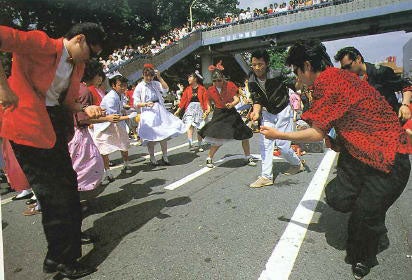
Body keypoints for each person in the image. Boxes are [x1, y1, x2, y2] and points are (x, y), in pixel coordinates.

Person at [260, 40, 411, 280]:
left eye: (296, 71)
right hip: (357, 152)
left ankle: (364, 257)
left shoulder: (331, 81)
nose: (297, 76)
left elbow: (316, 133)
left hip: (389, 157)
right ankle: (370, 217)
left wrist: (279, 134)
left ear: (307, 66)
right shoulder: (331, 79)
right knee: (338, 197)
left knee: (365, 214)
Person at [0, 23, 106, 278]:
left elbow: (66, 102)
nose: (91, 60)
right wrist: (3, 87)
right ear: (79, 39)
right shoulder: (40, 43)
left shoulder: (77, 65)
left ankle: (66, 244)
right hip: (27, 126)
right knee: (55, 196)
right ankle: (62, 260)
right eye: (91, 53)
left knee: (69, 188)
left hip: (52, 128)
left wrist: (84, 109)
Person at [248, 50, 304, 188]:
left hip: (283, 110)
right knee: (265, 144)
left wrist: (299, 80)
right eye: (254, 64)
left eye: (260, 64)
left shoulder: (278, 72)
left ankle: (297, 164)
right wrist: (255, 112)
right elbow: (257, 99)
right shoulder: (251, 80)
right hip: (267, 113)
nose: (257, 68)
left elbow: (295, 85)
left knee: (282, 145)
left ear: (266, 64)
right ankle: (266, 177)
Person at [199, 62, 257, 168]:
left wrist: (232, 104)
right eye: (215, 81)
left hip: (231, 113)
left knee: (244, 135)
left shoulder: (229, 85)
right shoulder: (210, 90)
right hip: (219, 114)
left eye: (219, 80)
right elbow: (208, 104)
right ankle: (209, 158)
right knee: (218, 138)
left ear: (223, 78)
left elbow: (236, 99)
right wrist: (207, 111)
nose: (217, 83)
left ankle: (248, 157)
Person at [334, 46, 412, 120]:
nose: (347, 71)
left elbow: (406, 85)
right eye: (344, 68)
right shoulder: (351, 81)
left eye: (348, 66)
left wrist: (405, 105)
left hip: (391, 121)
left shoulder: (381, 72)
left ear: (358, 59)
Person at [133, 63, 186, 165]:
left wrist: (159, 77)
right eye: (146, 75)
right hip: (148, 111)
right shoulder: (139, 87)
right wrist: (145, 104)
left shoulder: (156, 83)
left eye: (151, 75)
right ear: (143, 75)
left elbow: (166, 89)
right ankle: (152, 157)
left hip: (159, 110)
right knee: (151, 136)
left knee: (164, 133)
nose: (149, 78)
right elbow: (135, 103)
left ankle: (165, 156)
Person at [93, 74, 136, 182]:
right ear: (113, 85)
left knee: (124, 143)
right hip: (104, 125)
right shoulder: (111, 97)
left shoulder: (119, 95)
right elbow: (114, 117)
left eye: (125, 85)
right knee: (104, 148)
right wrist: (129, 116)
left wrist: (129, 110)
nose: (123, 88)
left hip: (115, 124)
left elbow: (120, 109)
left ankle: (126, 164)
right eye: (121, 85)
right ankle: (107, 172)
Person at [174, 70, 209, 152]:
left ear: (195, 79)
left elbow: (206, 100)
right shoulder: (187, 89)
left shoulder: (202, 89)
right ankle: (190, 142)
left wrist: (207, 110)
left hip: (199, 108)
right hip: (190, 108)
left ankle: (200, 145)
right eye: (188, 77)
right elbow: (183, 101)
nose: (188, 79)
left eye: (190, 77)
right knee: (189, 125)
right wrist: (178, 110)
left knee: (199, 127)